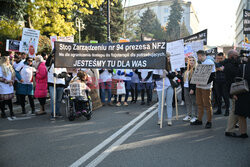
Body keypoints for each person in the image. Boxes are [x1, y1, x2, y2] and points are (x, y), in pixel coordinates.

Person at [191, 50, 215, 129]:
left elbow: (212, 76)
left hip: (206, 87)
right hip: (199, 86)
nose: (198, 58)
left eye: (198, 56)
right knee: (199, 103)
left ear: (201, 55)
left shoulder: (209, 62)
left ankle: (209, 121)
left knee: (207, 104)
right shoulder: (201, 62)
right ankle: (199, 119)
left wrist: (204, 82)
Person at [153, 53, 176, 126]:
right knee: (161, 103)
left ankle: (169, 119)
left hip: (169, 85)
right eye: (167, 57)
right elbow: (154, 76)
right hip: (160, 86)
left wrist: (167, 73)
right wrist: (161, 76)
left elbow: (172, 76)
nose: (169, 58)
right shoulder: (157, 65)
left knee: (169, 103)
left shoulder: (170, 65)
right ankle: (160, 118)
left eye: (169, 57)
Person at [221, 50, 241, 137]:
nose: (238, 57)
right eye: (236, 56)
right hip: (233, 91)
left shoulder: (230, 64)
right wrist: (233, 93)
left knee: (235, 109)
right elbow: (231, 80)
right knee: (233, 110)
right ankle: (229, 130)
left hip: (233, 90)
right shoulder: (229, 66)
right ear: (231, 56)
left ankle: (234, 125)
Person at [46, 53, 68, 120]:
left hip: (60, 84)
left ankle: (57, 112)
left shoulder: (62, 64)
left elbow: (65, 74)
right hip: (52, 83)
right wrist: (50, 54)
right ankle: (53, 113)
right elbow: (47, 62)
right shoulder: (50, 64)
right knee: (53, 99)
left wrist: (58, 76)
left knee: (59, 99)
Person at [233, 56, 250, 138]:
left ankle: (243, 133)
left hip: (243, 93)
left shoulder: (243, 67)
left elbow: (237, 80)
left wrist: (235, 94)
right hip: (244, 93)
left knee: (241, 115)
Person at [182, 56, 197, 123]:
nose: (191, 61)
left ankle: (195, 116)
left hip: (191, 88)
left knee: (194, 102)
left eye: (193, 60)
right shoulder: (186, 69)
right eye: (190, 60)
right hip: (185, 87)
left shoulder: (195, 69)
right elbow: (183, 79)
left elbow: (195, 80)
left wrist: (193, 89)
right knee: (188, 102)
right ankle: (189, 115)